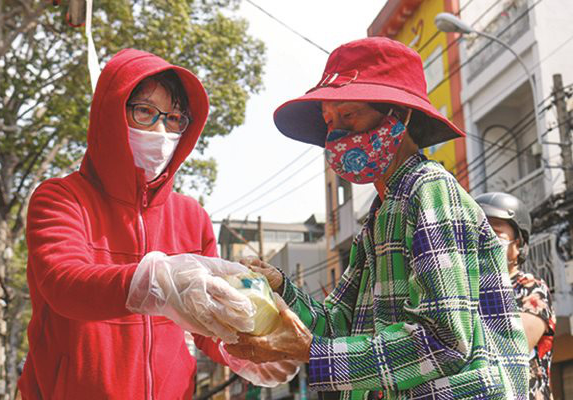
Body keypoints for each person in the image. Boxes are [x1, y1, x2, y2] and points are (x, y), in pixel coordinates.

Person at [226, 37, 530, 399]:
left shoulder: (430, 190)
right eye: (329, 121)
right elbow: (338, 323)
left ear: (399, 115)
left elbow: (446, 341)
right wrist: (280, 288)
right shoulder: (378, 216)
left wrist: (312, 352)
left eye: (349, 115)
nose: (337, 133)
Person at [18, 48, 295, 399]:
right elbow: (64, 284)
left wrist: (243, 348)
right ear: (111, 113)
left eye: (176, 118)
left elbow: (208, 323)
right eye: (145, 112)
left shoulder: (191, 216)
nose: (162, 130)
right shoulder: (61, 198)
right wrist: (156, 280)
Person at [476, 192, 556, 399]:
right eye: (476, 233)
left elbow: (510, 348)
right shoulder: (465, 291)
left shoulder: (531, 290)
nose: (483, 241)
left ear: (518, 245)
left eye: (494, 233)